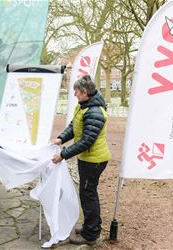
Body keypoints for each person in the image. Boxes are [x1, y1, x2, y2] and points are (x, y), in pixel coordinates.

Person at [52, 74, 111, 245]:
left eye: (76, 92)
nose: (75, 95)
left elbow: (86, 141)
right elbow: (73, 126)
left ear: (84, 92)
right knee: (87, 194)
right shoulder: (84, 107)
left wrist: (63, 154)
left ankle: (91, 234)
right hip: (88, 158)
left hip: (94, 160)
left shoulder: (95, 112)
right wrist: (61, 138)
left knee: (88, 195)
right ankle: (89, 226)